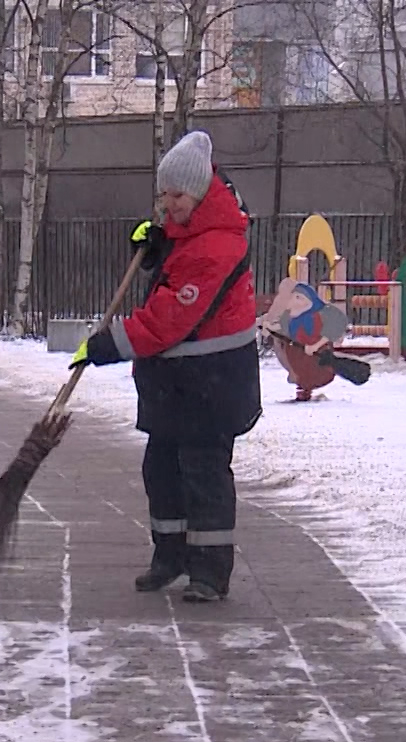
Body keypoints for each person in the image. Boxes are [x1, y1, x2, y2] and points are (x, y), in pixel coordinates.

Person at [72, 130, 261, 602]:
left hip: (212, 382)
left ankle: (210, 573)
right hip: (178, 383)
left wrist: (109, 344)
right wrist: (160, 245)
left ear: (198, 194)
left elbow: (172, 317)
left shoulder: (219, 244)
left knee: (203, 474)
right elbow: (175, 271)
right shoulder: (192, 233)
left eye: (176, 196)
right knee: (161, 469)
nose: (167, 204)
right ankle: (170, 556)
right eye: (164, 195)